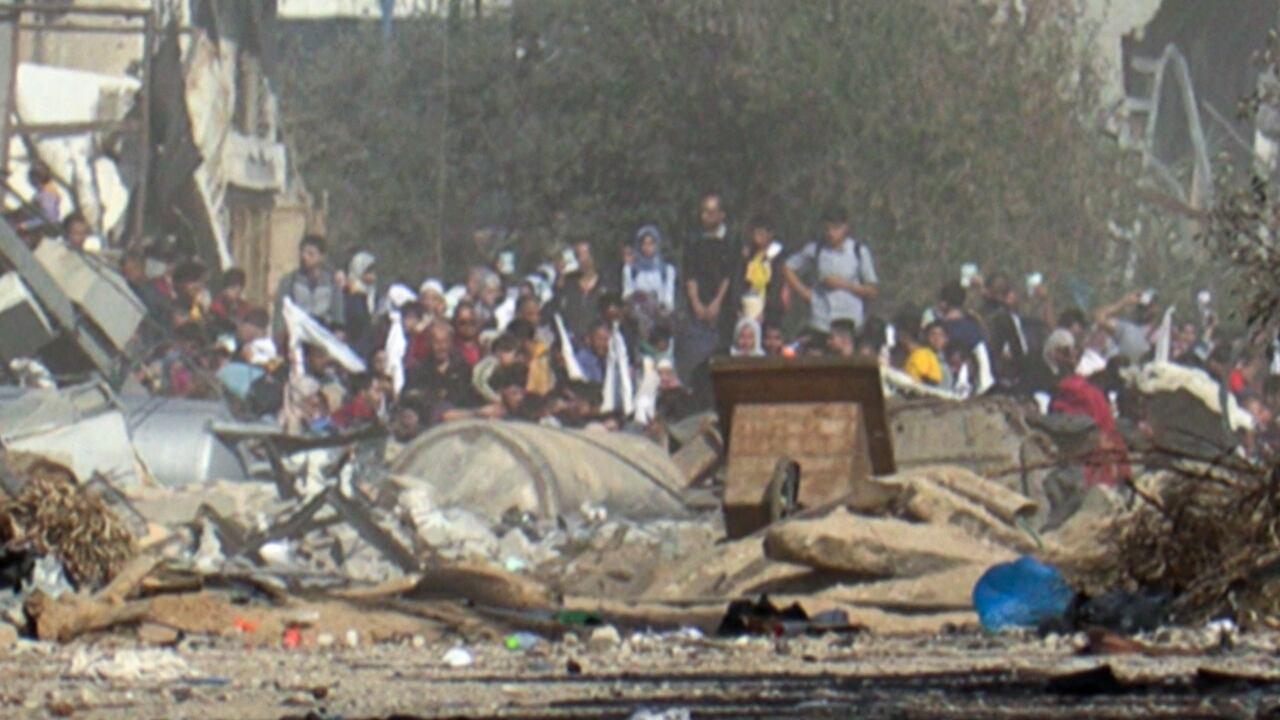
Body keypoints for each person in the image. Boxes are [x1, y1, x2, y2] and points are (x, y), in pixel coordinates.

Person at [782, 204, 879, 337]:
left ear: (846, 227)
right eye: (827, 228)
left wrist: (846, 285)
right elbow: (788, 267)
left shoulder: (858, 251)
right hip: (821, 320)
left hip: (850, 321)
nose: (831, 233)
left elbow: (872, 291)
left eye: (836, 228)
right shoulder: (816, 249)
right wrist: (805, 293)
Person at [678, 193, 737, 394]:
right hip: (698, 306)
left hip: (723, 307)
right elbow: (690, 273)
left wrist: (717, 303)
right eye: (703, 211)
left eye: (711, 212)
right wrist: (696, 303)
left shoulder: (731, 240)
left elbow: (729, 274)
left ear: (721, 215)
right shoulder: (693, 240)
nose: (706, 216)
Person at [273, 235, 344, 338]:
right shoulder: (290, 280)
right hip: (297, 332)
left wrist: (338, 332)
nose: (305, 257)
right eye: (303, 253)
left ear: (321, 257)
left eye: (311, 254)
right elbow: (281, 312)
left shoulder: (331, 283)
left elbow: (338, 316)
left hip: (323, 333)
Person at [550, 239, 608, 342]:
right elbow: (555, 310)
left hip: (596, 343)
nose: (576, 259)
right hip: (570, 342)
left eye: (579, 255)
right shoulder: (567, 283)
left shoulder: (605, 285)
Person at [739, 214, 787, 329]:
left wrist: (766, 312)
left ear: (770, 234)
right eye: (755, 234)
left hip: (768, 309)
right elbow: (740, 281)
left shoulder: (777, 256)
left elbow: (776, 286)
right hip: (749, 304)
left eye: (761, 233)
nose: (757, 237)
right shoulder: (749, 255)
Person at [622, 225, 677, 319]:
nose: (647, 247)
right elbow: (627, 294)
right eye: (644, 243)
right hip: (638, 316)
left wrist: (662, 309)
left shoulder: (667, 270)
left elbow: (669, 297)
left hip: (659, 317)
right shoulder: (631, 270)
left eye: (651, 243)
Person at [344, 251, 379, 356]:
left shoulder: (373, 294)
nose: (373, 274)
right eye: (369, 271)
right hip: (354, 345)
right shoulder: (351, 293)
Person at [452, 302, 484, 367]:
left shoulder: (484, 346)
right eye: (462, 323)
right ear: (455, 323)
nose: (468, 326)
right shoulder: (450, 348)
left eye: (472, 322)